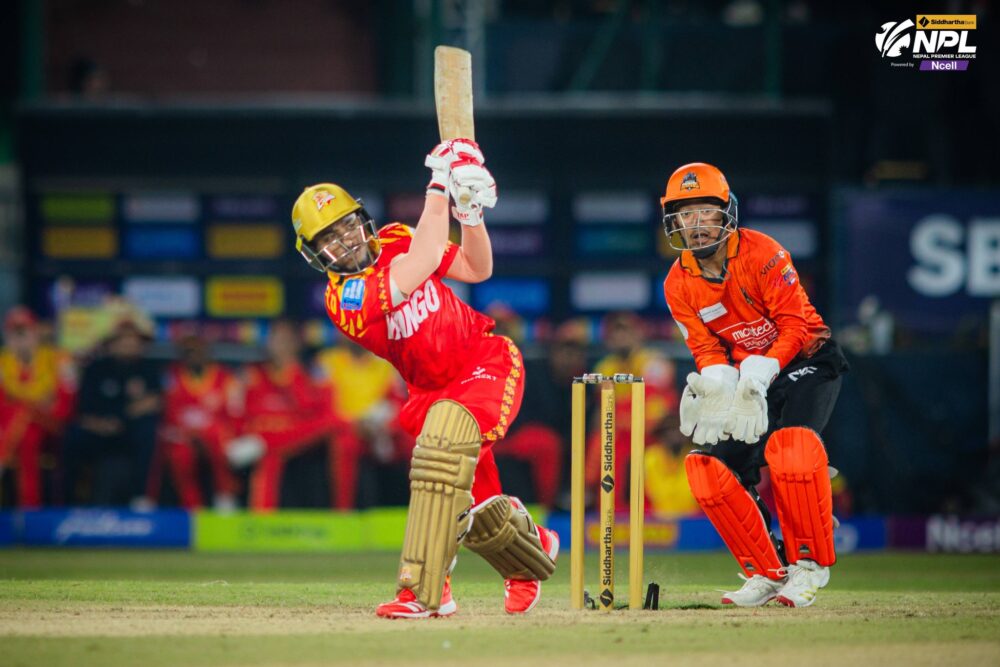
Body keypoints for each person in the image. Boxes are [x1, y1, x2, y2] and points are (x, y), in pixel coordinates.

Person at [289, 139, 558, 618]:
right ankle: (529, 551)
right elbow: (425, 257)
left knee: (442, 462)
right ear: (315, 255)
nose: (345, 240)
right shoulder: (345, 299)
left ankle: (425, 592)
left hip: (483, 363)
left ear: (362, 219)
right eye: (329, 238)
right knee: (476, 509)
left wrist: (470, 213)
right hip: (431, 394)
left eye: (347, 225)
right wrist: (440, 182)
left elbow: (477, 268)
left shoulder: (396, 236)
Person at [661, 162, 849, 608]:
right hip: (747, 378)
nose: (696, 224)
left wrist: (761, 372)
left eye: (705, 211)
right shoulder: (677, 283)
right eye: (686, 214)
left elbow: (795, 327)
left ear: (726, 213)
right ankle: (767, 570)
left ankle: (808, 566)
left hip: (807, 360)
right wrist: (717, 383)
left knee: (792, 448)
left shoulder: (763, 253)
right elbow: (706, 348)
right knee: (710, 468)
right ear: (674, 222)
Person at [227, 320, 360, 510]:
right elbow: (239, 414)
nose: (281, 346)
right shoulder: (252, 375)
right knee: (269, 454)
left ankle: (343, 512)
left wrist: (294, 375)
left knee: (340, 426)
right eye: (277, 339)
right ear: (268, 342)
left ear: (297, 344)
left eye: (287, 340)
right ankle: (257, 516)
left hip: (300, 438)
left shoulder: (311, 374)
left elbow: (324, 414)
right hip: (259, 437)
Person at [62, 313, 162, 507]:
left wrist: (121, 418)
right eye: (123, 339)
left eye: (133, 339)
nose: (128, 343)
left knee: (149, 431)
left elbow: (154, 402)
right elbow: (82, 410)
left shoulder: (148, 368)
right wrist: (102, 424)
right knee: (72, 436)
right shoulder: (96, 368)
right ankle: (69, 502)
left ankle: (141, 498)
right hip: (99, 430)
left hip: (130, 431)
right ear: (111, 343)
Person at [0, 307, 76, 507]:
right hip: (16, 428)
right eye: (14, 333)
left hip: (51, 426)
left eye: (24, 332)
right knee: (25, 428)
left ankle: (28, 505)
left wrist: (39, 408)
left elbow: (66, 402)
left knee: (23, 419)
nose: (19, 339)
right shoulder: (1, 363)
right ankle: (29, 508)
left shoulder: (59, 360)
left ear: (35, 333)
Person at [157, 335, 241, 510]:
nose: (194, 356)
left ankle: (225, 497)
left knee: (217, 437)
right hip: (184, 435)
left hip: (215, 435)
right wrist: (185, 432)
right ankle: (192, 505)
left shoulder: (225, 378)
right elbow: (169, 414)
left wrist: (220, 432)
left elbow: (234, 413)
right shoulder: (171, 377)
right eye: (188, 352)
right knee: (179, 454)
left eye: (198, 351)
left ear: (207, 353)